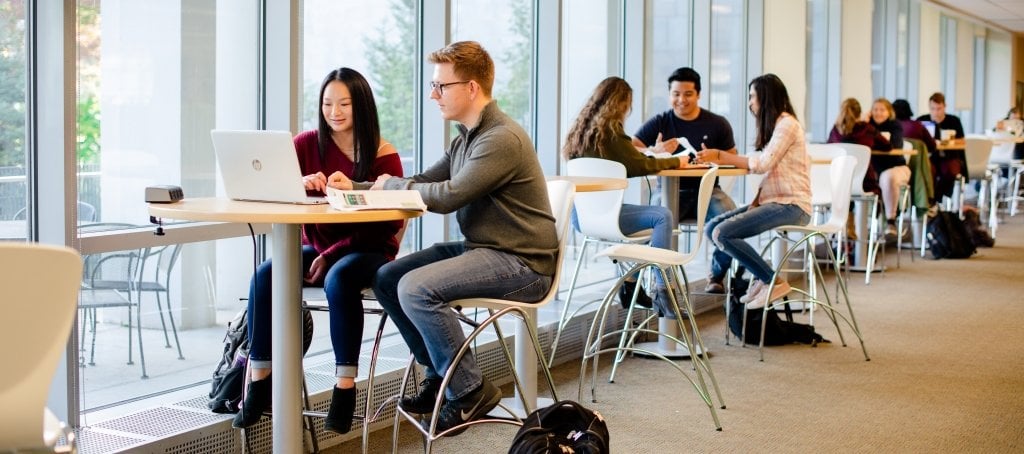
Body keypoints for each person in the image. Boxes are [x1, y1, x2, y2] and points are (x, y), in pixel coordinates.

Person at [328, 41, 558, 435]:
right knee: (388, 278)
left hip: (524, 263)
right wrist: (358, 185)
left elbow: (450, 196)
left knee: (416, 289)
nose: (433, 95)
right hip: (486, 249)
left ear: (471, 88)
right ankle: (440, 375)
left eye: (441, 86)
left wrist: (389, 186)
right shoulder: (466, 138)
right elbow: (421, 182)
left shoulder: (500, 138)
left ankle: (469, 390)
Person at [232, 68, 404, 434]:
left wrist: (333, 252)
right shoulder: (307, 143)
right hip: (322, 246)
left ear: (362, 106)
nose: (335, 111)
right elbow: (276, 188)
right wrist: (301, 183)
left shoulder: (383, 155)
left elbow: (388, 224)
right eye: (327, 103)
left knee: (340, 279)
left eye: (344, 103)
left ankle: (345, 388)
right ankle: (260, 378)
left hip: (369, 248)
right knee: (266, 274)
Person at [562, 76, 688, 314]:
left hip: (583, 218)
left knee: (649, 227)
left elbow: (630, 157)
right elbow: (638, 166)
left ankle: (630, 285)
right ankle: (664, 291)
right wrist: (677, 161)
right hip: (610, 219)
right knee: (661, 217)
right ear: (621, 103)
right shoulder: (611, 132)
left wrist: (653, 151)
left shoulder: (580, 132)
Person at [695, 73, 811, 310]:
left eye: (752, 97)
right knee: (710, 229)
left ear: (765, 98)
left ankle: (771, 280)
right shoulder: (778, 126)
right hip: (776, 202)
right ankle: (762, 276)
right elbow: (765, 167)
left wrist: (721, 156)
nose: (750, 103)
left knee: (722, 234)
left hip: (792, 205)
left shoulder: (787, 124)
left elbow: (763, 163)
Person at [632, 67, 739, 294]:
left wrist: (715, 157)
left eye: (688, 94)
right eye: (676, 94)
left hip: (708, 191)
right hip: (669, 192)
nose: (681, 100)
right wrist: (655, 150)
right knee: (653, 222)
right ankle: (660, 284)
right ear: (670, 94)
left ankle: (717, 276)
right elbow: (632, 150)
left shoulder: (717, 124)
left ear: (698, 94)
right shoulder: (660, 122)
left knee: (732, 219)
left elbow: (734, 158)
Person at [828, 98, 909, 240]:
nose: (878, 113)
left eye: (882, 110)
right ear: (862, 113)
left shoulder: (835, 131)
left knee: (848, 194)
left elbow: (829, 149)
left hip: (839, 185)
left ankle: (848, 233)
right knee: (871, 190)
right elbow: (888, 146)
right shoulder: (867, 129)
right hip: (865, 184)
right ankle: (864, 238)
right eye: (875, 109)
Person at [916, 92, 965, 201]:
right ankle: (931, 200)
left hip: (949, 156)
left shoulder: (953, 121)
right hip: (929, 157)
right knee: (928, 171)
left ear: (944, 107)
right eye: (933, 109)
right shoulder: (922, 121)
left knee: (950, 171)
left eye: (939, 108)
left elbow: (962, 141)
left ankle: (940, 198)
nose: (936, 112)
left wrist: (949, 142)